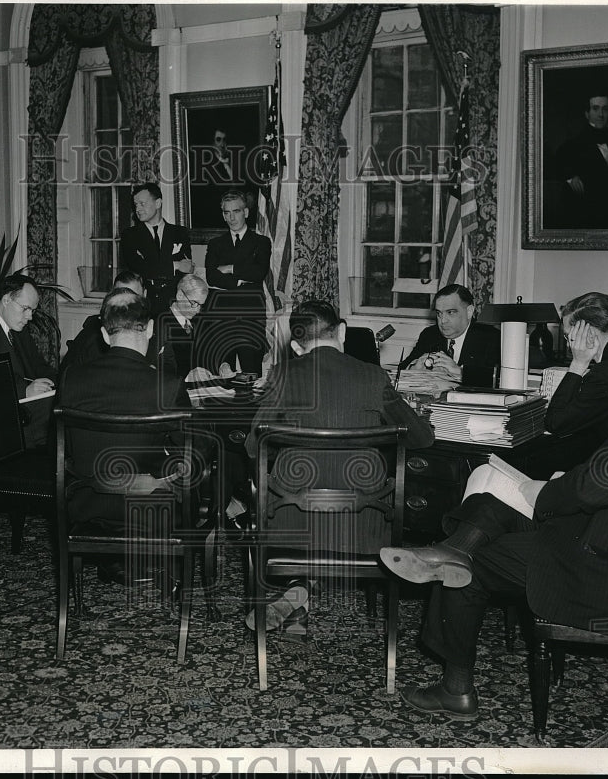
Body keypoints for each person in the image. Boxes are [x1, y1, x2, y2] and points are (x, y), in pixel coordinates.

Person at [379, 322, 608, 719]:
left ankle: (456, 689)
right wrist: (559, 486)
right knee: (491, 504)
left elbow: (594, 486)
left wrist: (546, 492)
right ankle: (450, 551)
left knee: (478, 564)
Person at [245, 299, 436, 632]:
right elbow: (421, 439)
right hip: (364, 524)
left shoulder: (281, 375)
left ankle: (299, 592)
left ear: (295, 346)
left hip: (291, 522)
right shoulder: (374, 376)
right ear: (342, 331)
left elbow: (252, 446)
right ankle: (302, 593)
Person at [60, 288, 192, 583]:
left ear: (105, 335)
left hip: (84, 505)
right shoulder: (167, 385)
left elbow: (66, 448)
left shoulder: (71, 378)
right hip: (148, 510)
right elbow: (189, 449)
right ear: (151, 328)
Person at [521, 291, 608, 477]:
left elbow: (555, 423)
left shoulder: (604, 374)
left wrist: (578, 364)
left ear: (590, 333)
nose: (569, 344)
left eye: (569, 336)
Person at [0, 274, 57, 449]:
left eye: (33, 310)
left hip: (17, 410)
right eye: (25, 308)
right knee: (56, 425)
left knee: (61, 411)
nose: (29, 317)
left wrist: (60, 383)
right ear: (6, 300)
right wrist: (24, 390)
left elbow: (38, 367)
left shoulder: (19, 329)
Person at [200, 190, 271, 376]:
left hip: (250, 316)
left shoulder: (261, 242)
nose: (231, 217)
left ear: (246, 212)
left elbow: (258, 273)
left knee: (252, 374)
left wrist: (231, 268)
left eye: (236, 211)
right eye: (226, 212)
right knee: (223, 374)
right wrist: (241, 280)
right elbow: (211, 277)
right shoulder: (215, 244)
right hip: (222, 317)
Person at [551, 93, 608, 229]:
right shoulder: (572, 146)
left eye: (605, 109)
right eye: (595, 108)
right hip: (585, 218)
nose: (601, 114)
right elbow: (556, 166)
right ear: (587, 114)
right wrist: (570, 177)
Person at [399, 284, 500, 387]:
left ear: (469, 312)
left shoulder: (491, 338)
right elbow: (400, 370)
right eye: (439, 313)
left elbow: (498, 381)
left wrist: (461, 373)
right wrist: (413, 370)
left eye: (450, 312)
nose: (443, 321)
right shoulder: (429, 335)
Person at [58, 270, 152, 377]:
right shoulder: (93, 332)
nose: (125, 307)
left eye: (132, 299)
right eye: (119, 295)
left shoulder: (153, 329)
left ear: (144, 295)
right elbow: (67, 373)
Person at [118, 183, 193, 315]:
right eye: (136, 205)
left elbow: (187, 269)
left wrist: (156, 268)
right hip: (141, 306)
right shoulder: (129, 235)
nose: (138, 209)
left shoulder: (180, 233)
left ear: (158, 203)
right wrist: (175, 265)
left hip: (175, 306)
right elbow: (139, 269)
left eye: (142, 203)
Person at [154, 273, 209, 380]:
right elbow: (157, 369)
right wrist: (187, 377)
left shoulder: (197, 323)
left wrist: (222, 365)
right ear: (179, 295)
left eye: (201, 305)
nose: (197, 311)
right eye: (194, 303)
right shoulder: (160, 324)